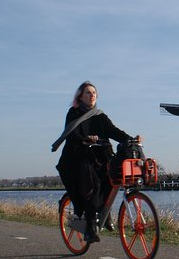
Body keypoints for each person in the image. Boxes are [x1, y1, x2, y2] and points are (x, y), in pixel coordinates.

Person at [52, 81, 141, 243]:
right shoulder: (73, 113)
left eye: (94, 92)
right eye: (88, 92)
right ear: (80, 96)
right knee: (94, 184)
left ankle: (104, 213)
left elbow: (113, 131)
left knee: (111, 178)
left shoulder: (100, 115)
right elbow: (72, 134)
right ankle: (91, 227)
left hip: (100, 155)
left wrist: (130, 139)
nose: (92, 95)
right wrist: (85, 139)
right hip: (78, 156)